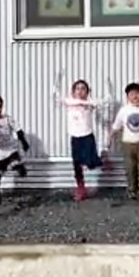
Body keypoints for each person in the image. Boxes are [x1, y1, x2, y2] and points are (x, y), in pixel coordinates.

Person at [52, 73, 110, 201]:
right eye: (77, 88)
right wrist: (57, 80)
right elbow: (55, 95)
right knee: (77, 163)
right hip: (75, 137)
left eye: (83, 88)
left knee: (90, 163)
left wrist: (107, 85)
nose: (80, 91)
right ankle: (80, 188)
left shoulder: (90, 103)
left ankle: (101, 160)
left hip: (87, 135)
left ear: (88, 92)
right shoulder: (69, 102)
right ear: (73, 91)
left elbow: (107, 100)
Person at [0, 93, 30, 206]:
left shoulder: (7, 119)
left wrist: (24, 142)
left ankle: (19, 166)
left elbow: (18, 130)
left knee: (14, 160)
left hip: (11, 148)